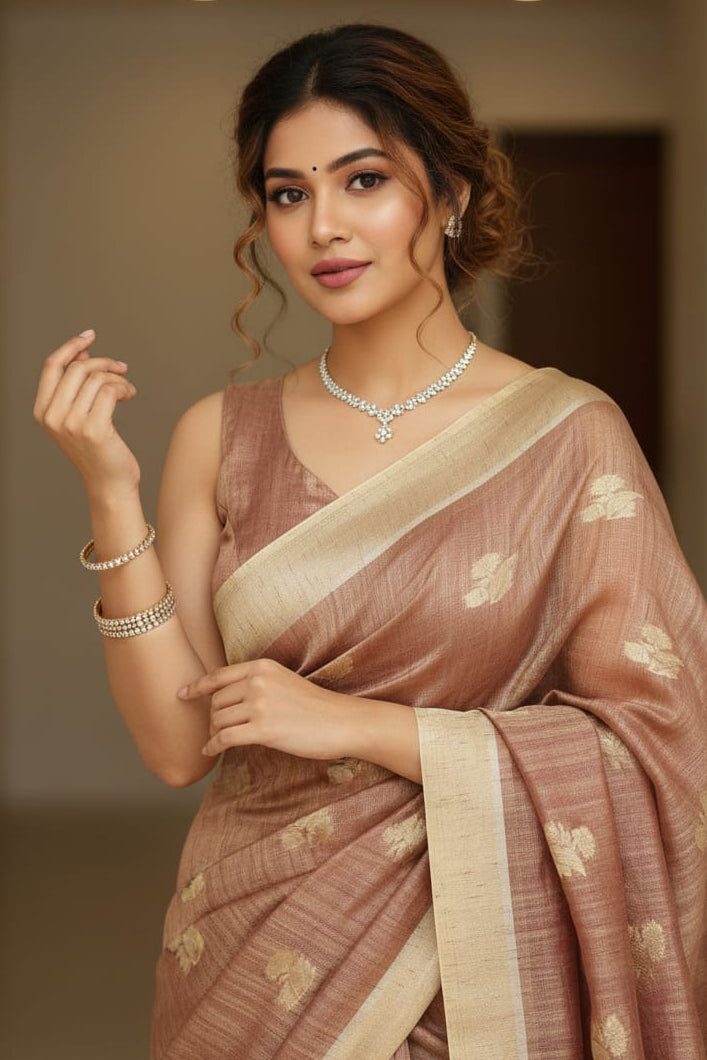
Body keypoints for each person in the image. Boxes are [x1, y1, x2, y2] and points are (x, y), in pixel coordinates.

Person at [33, 22, 706, 1060]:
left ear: (450, 194)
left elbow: (660, 738)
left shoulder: (569, 437)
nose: (323, 227)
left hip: (470, 977)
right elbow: (175, 746)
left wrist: (355, 725)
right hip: (254, 956)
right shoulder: (221, 435)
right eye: (287, 193)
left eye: (364, 180)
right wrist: (111, 498)